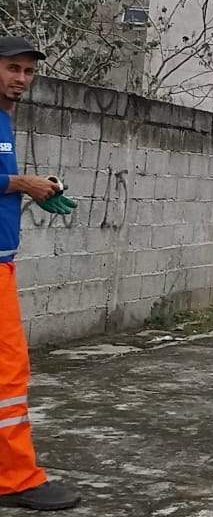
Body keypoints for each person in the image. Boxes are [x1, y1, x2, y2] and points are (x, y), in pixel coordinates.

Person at [0, 34, 80, 512]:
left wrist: (36, 188)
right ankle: (16, 479)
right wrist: (20, 182)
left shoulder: (4, 121)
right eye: (13, 68)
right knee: (8, 375)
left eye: (29, 71)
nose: (22, 79)